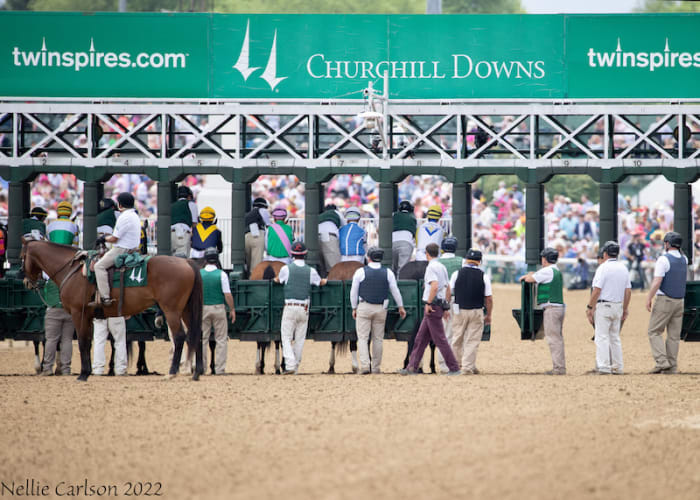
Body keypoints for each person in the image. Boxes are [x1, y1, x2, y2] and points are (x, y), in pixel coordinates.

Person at [399, 243, 461, 376]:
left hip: (432, 306)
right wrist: (445, 305)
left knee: (440, 339)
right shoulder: (441, 267)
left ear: (426, 253)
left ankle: (454, 367)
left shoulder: (431, 268)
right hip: (438, 304)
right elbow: (448, 288)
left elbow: (434, 286)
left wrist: (428, 303)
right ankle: (412, 367)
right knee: (420, 339)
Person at [350, 247, 406, 374]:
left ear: (369, 258)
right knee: (378, 339)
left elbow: (353, 292)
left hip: (364, 306)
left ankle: (365, 366)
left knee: (363, 338)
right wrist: (400, 306)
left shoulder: (360, 272)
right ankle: (376, 367)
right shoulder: (388, 272)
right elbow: (395, 291)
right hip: (381, 308)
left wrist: (354, 307)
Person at [274, 241, 327, 374]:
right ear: (305, 255)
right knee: (300, 339)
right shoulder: (311, 270)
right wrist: (325, 280)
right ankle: (295, 367)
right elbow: (320, 282)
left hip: (290, 307)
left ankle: (290, 365)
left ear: (292, 254)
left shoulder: (286, 269)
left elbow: (278, 280)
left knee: (285, 337)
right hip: (304, 308)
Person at [92, 197, 128, 375]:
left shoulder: (93, 264)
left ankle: (97, 370)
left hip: (98, 308)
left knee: (99, 339)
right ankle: (121, 370)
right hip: (116, 308)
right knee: (120, 340)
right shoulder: (118, 215)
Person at [586, 241, 631, 375]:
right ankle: (617, 367)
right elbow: (628, 291)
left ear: (605, 253)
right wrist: (625, 308)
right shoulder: (623, 268)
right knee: (615, 338)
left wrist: (590, 307)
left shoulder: (603, 268)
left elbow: (597, 290)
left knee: (602, 337)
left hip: (604, 305)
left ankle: (604, 367)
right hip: (618, 305)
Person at [645, 231, 687, 374]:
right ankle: (672, 365)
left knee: (654, 331)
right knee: (674, 336)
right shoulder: (684, 259)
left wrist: (649, 297)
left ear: (667, 244)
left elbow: (657, 281)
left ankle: (662, 362)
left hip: (665, 299)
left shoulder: (663, 259)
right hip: (679, 301)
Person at [521, 247, 567, 375]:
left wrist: (527, 275)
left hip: (551, 308)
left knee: (554, 339)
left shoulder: (547, 270)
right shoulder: (555, 270)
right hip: (557, 307)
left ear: (545, 258)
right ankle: (559, 367)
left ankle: (558, 368)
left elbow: (530, 279)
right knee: (557, 338)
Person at [90, 193, 141, 307]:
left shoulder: (124, 216)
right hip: (133, 249)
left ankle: (105, 298)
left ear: (120, 204)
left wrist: (103, 238)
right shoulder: (134, 215)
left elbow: (114, 238)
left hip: (122, 250)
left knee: (99, 266)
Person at [450, 249, 493, 374]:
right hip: (476, 310)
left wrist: (447, 306)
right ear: (479, 261)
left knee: (457, 337)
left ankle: (455, 365)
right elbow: (489, 298)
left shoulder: (456, 273)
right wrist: (489, 315)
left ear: (466, 259)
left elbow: (449, 291)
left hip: (459, 309)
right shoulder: (483, 276)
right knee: (472, 340)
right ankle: (468, 367)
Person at [200, 247, 235, 375]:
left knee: (202, 339)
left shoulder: (199, 274)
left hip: (203, 308)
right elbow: (227, 294)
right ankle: (220, 369)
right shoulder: (222, 274)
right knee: (221, 339)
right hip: (218, 308)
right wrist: (232, 309)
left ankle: (201, 367)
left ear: (205, 260)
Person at [436, 236, 463, 373]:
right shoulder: (461, 261)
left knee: (443, 334)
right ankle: (455, 362)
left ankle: (443, 364)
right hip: (456, 300)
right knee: (454, 333)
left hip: (439, 301)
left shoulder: (436, 262)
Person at [170, 185, 198, 257]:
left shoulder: (171, 205)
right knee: (182, 260)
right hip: (183, 234)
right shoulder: (191, 204)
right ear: (189, 196)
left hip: (171, 234)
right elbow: (194, 224)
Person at [245, 197, 270, 273]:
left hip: (246, 236)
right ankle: (254, 280)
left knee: (248, 261)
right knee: (256, 262)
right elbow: (268, 224)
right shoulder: (262, 210)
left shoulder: (247, 214)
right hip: (258, 236)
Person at [318, 204, 345, 275]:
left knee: (321, 265)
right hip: (329, 236)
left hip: (315, 236)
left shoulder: (321, 215)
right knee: (335, 265)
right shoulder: (336, 213)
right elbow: (344, 228)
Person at [392, 200, 417, 272]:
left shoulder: (393, 215)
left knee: (392, 269)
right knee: (402, 270)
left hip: (392, 242)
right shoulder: (413, 217)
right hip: (407, 243)